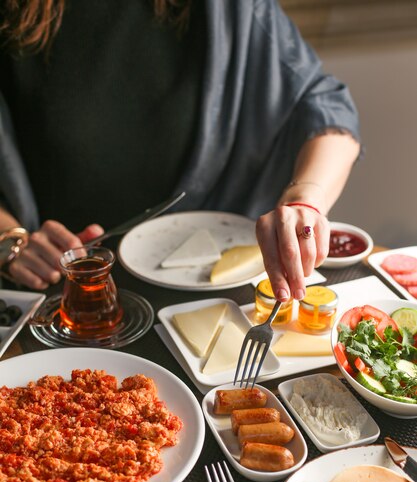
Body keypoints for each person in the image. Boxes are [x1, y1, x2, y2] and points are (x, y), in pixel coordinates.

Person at [0, 0, 361, 298]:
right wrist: (10, 241)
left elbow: (324, 106)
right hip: (62, 295)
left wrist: (305, 199)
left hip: (214, 293)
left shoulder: (225, 10)